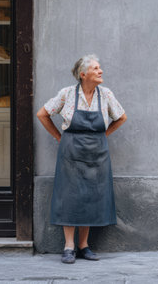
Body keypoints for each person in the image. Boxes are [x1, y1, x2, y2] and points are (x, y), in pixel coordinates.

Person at [36, 54, 127, 264]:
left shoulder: (105, 95)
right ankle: (68, 246)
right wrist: (59, 137)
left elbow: (121, 117)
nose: (100, 71)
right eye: (96, 68)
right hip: (71, 153)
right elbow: (42, 113)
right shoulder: (67, 94)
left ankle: (83, 245)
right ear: (83, 74)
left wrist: (104, 135)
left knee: (91, 197)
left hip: (97, 154)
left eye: (99, 67)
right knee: (69, 196)